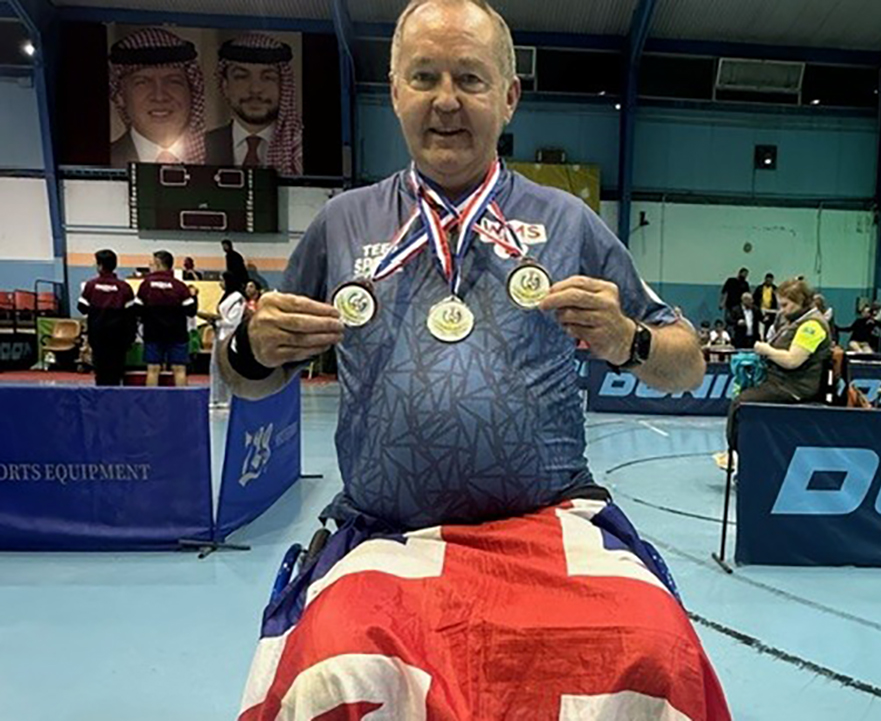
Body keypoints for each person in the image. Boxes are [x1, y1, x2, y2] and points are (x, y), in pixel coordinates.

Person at [224, 1, 727, 718]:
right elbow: (246, 376)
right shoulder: (343, 223)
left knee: (657, 648)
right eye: (424, 77)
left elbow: (688, 362)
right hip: (385, 532)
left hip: (551, 522)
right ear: (394, 90)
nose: (447, 101)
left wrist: (630, 339)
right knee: (328, 669)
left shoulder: (566, 221)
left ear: (510, 94)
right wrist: (252, 344)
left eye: (471, 77)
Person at [726, 278, 831, 449]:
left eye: (785, 305)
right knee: (743, 392)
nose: (781, 310)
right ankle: (749, 451)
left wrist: (766, 349)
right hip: (779, 381)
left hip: (794, 387)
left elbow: (792, 360)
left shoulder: (812, 326)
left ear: (801, 302)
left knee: (740, 404)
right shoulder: (795, 321)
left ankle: (740, 455)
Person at [205, 33, 303, 175]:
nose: (255, 89)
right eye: (242, 77)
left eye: (268, 77)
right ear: (225, 86)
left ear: (283, 86)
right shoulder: (203, 147)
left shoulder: (299, 150)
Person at [108, 27, 206, 167]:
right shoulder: (102, 160)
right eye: (142, 83)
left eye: (173, 82)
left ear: (191, 92)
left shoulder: (223, 159)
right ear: (120, 96)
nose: (159, 96)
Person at [135, 250, 198, 386]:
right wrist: (194, 296)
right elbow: (191, 311)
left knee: (153, 369)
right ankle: (182, 403)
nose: (150, 265)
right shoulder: (179, 286)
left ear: (158, 263)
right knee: (179, 369)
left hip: (153, 333)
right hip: (177, 334)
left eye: (151, 263)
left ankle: (150, 404)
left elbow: (137, 310)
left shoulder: (146, 284)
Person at [77, 249, 137, 386]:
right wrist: (130, 338)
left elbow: (82, 307)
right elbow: (131, 314)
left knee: (101, 372)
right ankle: (115, 401)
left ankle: (101, 401)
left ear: (100, 266)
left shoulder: (91, 286)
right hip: (119, 338)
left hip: (98, 336)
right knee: (116, 372)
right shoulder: (124, 287)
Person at [209, 272, 246, 408]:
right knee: (216, 368)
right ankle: (216, 397)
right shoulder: (226, 297)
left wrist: (216, 322)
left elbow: (233, 321)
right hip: (219, 336)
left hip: (229, 337)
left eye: (222, 280)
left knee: (227, 369)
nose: (220, 283)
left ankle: (228, 398)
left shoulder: (238, 298)